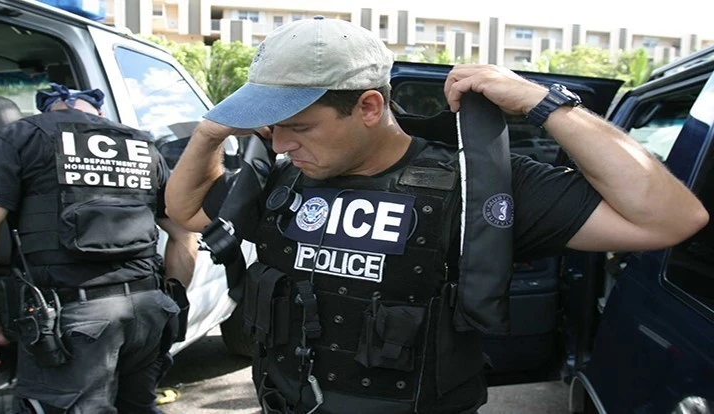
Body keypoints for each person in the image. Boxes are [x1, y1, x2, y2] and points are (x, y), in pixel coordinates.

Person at [164, 17, 709, 414]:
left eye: (298, 126)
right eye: (272, 126)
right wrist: (215, 128)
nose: (279, 144)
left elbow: (669, 219)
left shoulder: (479, 181)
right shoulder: (285, 176)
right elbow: (185, 212)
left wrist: (545, 104)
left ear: (370, 107)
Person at [0, 83, 197, 413]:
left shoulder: (22, 135)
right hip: (148, 313)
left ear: (48, 111)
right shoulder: (141, 143)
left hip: (75, 322)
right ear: (99, 113)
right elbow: (184, 233)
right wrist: (172, 299)